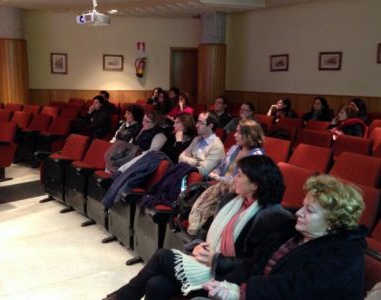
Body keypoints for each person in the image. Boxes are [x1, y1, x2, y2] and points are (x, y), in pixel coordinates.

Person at [102, 155, 295, 300]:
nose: (233, 178)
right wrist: (200, 244)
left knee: (162, 256)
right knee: (155, 284)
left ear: (255, 184)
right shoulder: (232, 201)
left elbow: (253, 264)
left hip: (227, 277)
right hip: (205, 263)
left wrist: (216, 259)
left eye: (240, 175)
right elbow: (209, 230)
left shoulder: (271, 217)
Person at [202, 174, 367, 300]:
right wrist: (226, 283)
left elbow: (298, 288)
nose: (299, 213)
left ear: (333, 221)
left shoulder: (346, 253)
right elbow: (254, 262)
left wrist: (242, 291)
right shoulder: (290, 231)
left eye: (309, 211)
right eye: (303, 206)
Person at [188, 119, 265, 235]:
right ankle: (200, 227)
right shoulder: (235, 148)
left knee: (214, 195)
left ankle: (206, 230)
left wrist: (220, 179)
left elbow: (243, 180)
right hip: (222, 184)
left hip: (237, 190)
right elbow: (222, 165)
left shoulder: (256, 156)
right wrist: (216, 172)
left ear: (249, 135)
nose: (234, 135)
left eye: (238, 132)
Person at [179, 111, 225, 176]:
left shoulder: (217, 146)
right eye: (198, 121)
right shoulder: (196, 139)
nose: (196, 125)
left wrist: (187, 160)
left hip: (200, 182)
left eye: (201, 123)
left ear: (210, 126)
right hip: (186, 174)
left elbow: (203, 171)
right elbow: (180, 158)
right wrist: (197, 162)